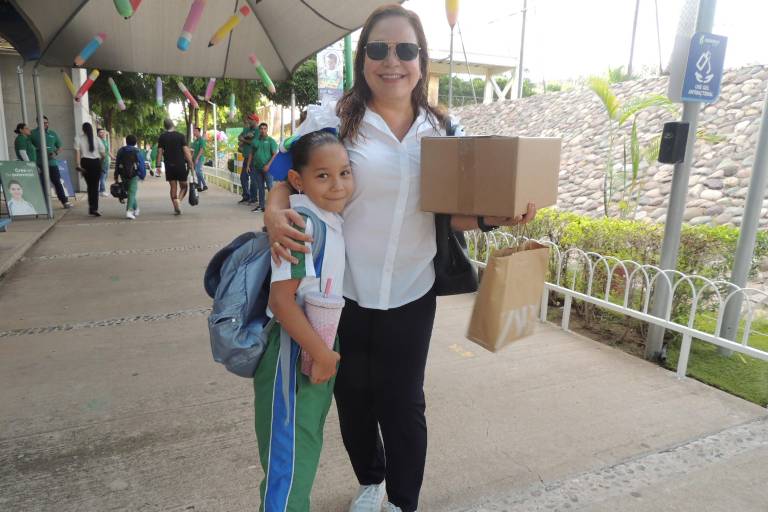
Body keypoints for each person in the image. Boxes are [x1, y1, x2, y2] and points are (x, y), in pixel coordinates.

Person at [264, 6, 538, 512]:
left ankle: (401, 501)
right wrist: (274, 214)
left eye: (405, 50)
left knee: (404, 403)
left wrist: (492, 220)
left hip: (413, 289)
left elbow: (447, 214)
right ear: (363, 58)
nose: (393, 62)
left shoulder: (444, 132)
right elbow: (282, 174)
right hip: (338, 294)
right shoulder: (332, 121)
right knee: (353, 400)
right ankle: (371, 480)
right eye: (379, 49)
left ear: (421, 60)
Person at [256, 129, 353, 511]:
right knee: (289, 461)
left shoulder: (330, 219)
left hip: (315, 345)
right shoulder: (298, 224)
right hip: (293, 352)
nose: (337, 184)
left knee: (303, 445)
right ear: (298, 180)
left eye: (344, 173)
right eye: (323, 175)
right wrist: (323, 354)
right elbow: (281, 302)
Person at [31, 115, 72, 209]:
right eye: (44, 122)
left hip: (52, 163)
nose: (46, 124)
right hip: (39, 163)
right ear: (38, 123)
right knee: (42, 183)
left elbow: (60, 146)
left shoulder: (53, 133)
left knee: (57, 182)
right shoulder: (33, 134)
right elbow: (29, 147)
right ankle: (44, 204)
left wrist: (55, 153)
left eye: (47, 122)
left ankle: (64, 201)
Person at [156, 118, 195, 215]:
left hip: (169, 166)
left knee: (173, 187)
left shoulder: (162, 137)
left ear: (165, 127)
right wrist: (191, 163)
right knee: (184, 186)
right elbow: (186, 151)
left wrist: (158, 166)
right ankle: (178, 200)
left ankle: (175, 207)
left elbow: (159, 152)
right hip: (180, 165)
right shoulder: (180, 136)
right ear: (173, 125)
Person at [74, 122, 107, 216]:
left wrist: (78, 165)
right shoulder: (97, 139)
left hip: (85, 163)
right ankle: (94, 208)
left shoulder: (78, 138)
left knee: (90, 186)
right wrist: (100, 162)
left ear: (83, 130)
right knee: (95, 186)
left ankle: (91, 206)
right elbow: (104, 154)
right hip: (96, 163)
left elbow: (77, 153)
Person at [245, 122, 278, 212]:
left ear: (267, 130)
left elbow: (275, 154)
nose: (263, 130)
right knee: (260, 187)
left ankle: (272, 206)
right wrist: (248, 165)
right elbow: (251, 153)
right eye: (261, 129)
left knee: (270, 187)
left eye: (264, 129)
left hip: (268, 169)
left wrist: (268, 165)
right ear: (259, 130)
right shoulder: (255, 141)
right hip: (257, 168)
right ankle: (261, 206)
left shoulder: (271, 141)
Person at [114, 134, 147, 220]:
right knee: (132, 192)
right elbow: (141, 164)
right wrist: (142, 175)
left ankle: (136, 209)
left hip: (123, 174)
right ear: (135, 142)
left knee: (130, 192)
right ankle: (129, 211)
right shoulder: (137, 151)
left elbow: (117, 163)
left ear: (126, 141)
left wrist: (116, 175)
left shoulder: (121, 150)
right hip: (133, 174)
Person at [237, 114, 259, 204]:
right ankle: (246, 195)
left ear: (255, 121)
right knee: (243, 177)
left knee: (253, 179)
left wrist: (244, 140)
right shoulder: (246, 129)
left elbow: (254, 142)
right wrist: (244, 139)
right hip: (246, 157)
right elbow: (239, 137)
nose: (248, 121)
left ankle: (253, 198)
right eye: (248, 119)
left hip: (254, 157)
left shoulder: (258, 130)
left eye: (250, 119)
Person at [190, 126, 208, 191]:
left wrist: (197, 158)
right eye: (194, 131)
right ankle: (199, 187)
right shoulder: (195, 141)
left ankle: (205, 184)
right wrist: (191, 159)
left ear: (198, 132)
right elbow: (192, 151)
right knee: (198, 172)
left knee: (198, 171)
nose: (194, 132)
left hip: (200, 158)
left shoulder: (201, 140)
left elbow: (202, 150)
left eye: (195, 131)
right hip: (195, 159)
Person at [97, 128, 113, 197]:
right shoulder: (98, 141)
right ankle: (102, 191)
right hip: (101, 161)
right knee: (102, 176)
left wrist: (113, 157)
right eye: (101, 132)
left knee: (105, 176)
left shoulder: (105, 141)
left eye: (103, 132)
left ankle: (101, 190)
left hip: (106, 160)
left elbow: (108, 151)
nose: (103, 134)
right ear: (97, 134)